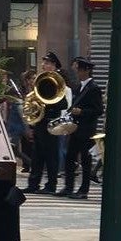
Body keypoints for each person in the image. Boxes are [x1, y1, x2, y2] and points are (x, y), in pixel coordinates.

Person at [59, 57, 104, 200]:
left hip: (87, 129)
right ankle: (69, 186)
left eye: (79, 70)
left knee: (86, 160)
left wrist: (82, 112)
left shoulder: (94, 88)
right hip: (75, 128)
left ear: (86, 71)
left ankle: (84, 189)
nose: (77, 73)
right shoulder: (78, 87)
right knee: (70, 157)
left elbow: (98, 110)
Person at [26, 52, 66, 195]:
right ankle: (33, 184)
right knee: (37, 155)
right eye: (44, 62)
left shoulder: (58, 81)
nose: (44, 65)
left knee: (51, 156)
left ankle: (51, 185)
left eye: (47, 63)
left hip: (51, 123)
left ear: (54, 66)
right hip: (40, 123)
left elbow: (63, 103)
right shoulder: (41, 79)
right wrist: (31, 125)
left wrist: (48, 104)